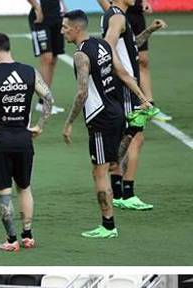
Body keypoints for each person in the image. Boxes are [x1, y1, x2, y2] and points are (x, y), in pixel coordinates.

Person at [59, 10, 151, 239]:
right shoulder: (103, 45)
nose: (62, 31)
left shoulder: (81, 56)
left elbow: (81, 93)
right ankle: (131, 131)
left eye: (65, 28)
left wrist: (69, 123)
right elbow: (124, 74)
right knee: (111, 164)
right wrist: (143, 99)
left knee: (98, 173)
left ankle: (108, 226)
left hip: (100, 118)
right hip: (117, 111)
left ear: (76, 29)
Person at [0, 33, 54, 251]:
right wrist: (39, 125)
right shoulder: (29, 72)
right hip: (23, 139)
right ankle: (28, 235)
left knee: (4, 193)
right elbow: (48, 98)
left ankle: (11, 239)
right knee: (25, 188)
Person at [102, 0, 166, 210]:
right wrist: (124, 76)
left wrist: (150, 30)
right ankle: (127, 193)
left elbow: (130, 45)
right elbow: (108, 46)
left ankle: (118, 190)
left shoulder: (118, 16)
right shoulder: (118, 17)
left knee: (125, 137)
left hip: (121, 87)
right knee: (136, 137)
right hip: (125, 88)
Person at [27, 0, 67, 115]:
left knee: (53, 59)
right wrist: (37, 7)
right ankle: (44, 101)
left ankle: (42, 101)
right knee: (47, 58)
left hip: (57, 16)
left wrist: (63, 6)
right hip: (41, 17)